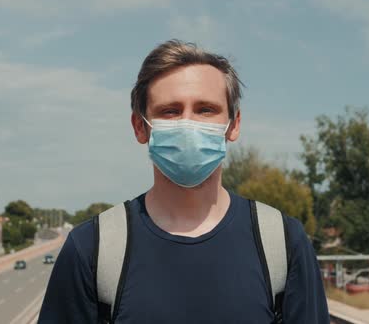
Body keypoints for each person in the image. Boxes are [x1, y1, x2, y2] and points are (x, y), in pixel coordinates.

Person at [38, 40, 329, 323]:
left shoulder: (283, 244)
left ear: (234, 124)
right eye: (170, 111)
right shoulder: (92, 249)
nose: (188, 124)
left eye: (205, 109)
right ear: (140, 127)